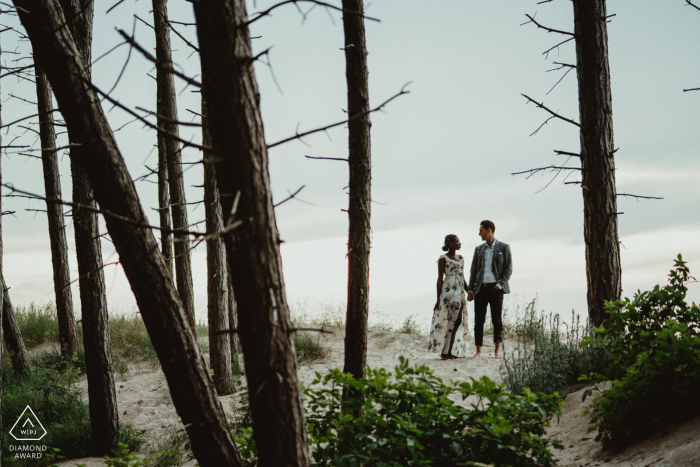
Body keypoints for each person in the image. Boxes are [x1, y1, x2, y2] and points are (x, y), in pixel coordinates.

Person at [467, 220, 512, 359]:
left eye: (481, 230)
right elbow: (473, 270)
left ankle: (497, 351)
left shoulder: (504, 247)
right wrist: (470, 289)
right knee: (479, 320)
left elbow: (508, 269)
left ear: (489, 230)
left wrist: (500, 284)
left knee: (496, 320)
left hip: (496, 288)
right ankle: (478, 351)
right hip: (481, 288)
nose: (479, 233)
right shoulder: (478, 249)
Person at [428, 234, 470, 359]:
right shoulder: (443, 258)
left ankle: (448, 351)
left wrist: (469, 291)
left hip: (460, 292)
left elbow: (463, 277)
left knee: (458, 321)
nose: (459, 243)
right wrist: (438, 299)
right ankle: (445, 352)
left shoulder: (460, 258)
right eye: (457, 241)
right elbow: (440, 279)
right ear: (451, 243)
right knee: (451, 321)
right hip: (449, 292)